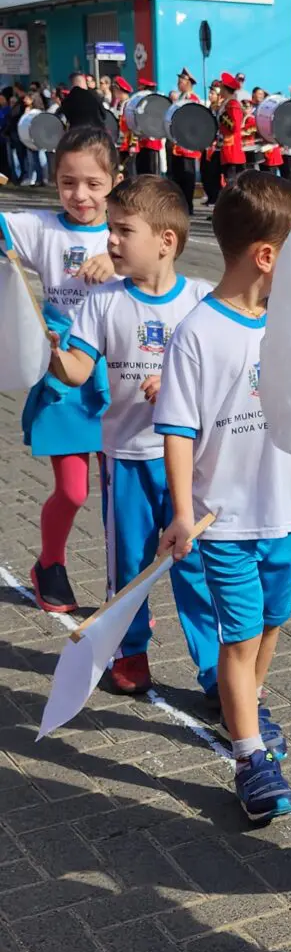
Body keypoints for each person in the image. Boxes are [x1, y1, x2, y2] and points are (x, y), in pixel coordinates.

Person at [156, 173, 291, 821]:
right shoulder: (199, 333)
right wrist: (182, 510)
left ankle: (247, 708)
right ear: (266, 256)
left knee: (272, 623)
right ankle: (250, 754)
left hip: (282, 517)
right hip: (223, 524)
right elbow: (177, 431)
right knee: (238, 636)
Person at [47, 175, 220, 699]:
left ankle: (215, 670)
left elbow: (225, 371)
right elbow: (77, 369)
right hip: (126, 457)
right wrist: (50, 351)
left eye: (124, 230)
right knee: (129, 565)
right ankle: (130, 652)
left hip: (191, 462)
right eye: (110, 230)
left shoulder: (201, 299)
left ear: (166, 240)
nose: (111, 241)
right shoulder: (102, 301)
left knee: (194, 567)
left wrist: (177, 381)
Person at [0, 127, 117, 613]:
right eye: (68, 182)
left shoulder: (131, 226)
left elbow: (162, 261)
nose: (80, 195)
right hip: (63, 371)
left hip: (122, 372)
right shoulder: (42, 227)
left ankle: (123, 585)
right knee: (72, 490)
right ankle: (50, 563)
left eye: (93, 182)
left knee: (121, 500)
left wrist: (116, 259)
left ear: (115, 179)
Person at [169, 66, 202, 216]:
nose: (178, 83)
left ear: (188, 82)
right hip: (177, 145)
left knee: (187, 177)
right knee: (178, 176)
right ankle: (180, 204)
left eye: (181, 80)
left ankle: (188, 206)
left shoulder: (193, 99)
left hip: (188, 145)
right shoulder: (180, 98)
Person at [218, 72, 246, 185]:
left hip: (232, 150)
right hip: (227, 148)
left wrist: (221, 116)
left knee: (232, 182)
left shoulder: (233, 104)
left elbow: (235, 126)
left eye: (221, 87)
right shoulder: (226, 103)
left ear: (225, 89)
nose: (219, 90)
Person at [134, 77, 163, 176]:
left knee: (151, 172)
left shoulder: (154, 102)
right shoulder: (143, 102)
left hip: (152, 143)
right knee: (142, 171)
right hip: (143, 142)